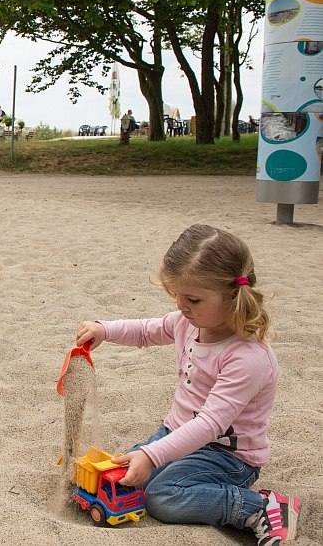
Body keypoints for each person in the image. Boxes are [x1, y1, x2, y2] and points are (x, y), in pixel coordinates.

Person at [74, 224, 300, 545]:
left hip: (227, 457)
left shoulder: (247, 357)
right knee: (124, 478)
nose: (181, 306)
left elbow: (210, 424)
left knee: (161, 498)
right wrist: (104, 329)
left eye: (193, 298)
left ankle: (259, 506)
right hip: (176, 433)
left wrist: (153, 456)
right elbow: (146, 331)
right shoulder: (188, 321)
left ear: (234, 294)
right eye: (175, 294)